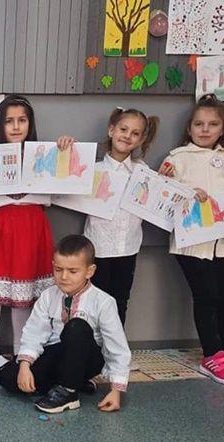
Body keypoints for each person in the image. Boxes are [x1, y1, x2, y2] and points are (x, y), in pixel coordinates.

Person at [159, 94, 224, 385]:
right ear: (190, 128)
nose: (205, 129)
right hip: (191, 242)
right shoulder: (177, 157)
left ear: (222, 129)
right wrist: (174, 184)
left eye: (212, 124)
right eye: (199, 124)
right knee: (206, 297)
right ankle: (212, 355)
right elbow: (163, 193)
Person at [0, 95, 74, 371]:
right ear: (0, 125)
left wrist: (64, 151)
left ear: (30, 124)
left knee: (23, 296)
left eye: (22, 120)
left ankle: (20, 348)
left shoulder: (44, 154)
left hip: (31, 229)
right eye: (9, 121)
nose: (15, 126)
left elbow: (67, 181)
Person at [0, 235, 131, 414]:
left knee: (76, 327)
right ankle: (73, 382)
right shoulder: (48, 296)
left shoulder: (103, 301)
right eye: (58, 269)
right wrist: (24, 366)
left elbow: (117, 347)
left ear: (89, 271)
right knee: (8, 377)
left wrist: (116, 391)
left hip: (89, 359)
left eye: (72, 271)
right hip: (58, 355)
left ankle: (68, 393)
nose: (63, 277)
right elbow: (34, 332)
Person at [84, 107, 160, 325]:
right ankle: (92, 345)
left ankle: (115, 344)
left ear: (141, 140)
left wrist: (166, 182)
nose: (127, 136)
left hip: (127, 248)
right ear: (111, 130)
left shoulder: (142, 172)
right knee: (94, 301)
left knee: (120, 302)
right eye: (123, 129)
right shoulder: (93, 169)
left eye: (135, 133)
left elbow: (158, 200)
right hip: (97, 247)